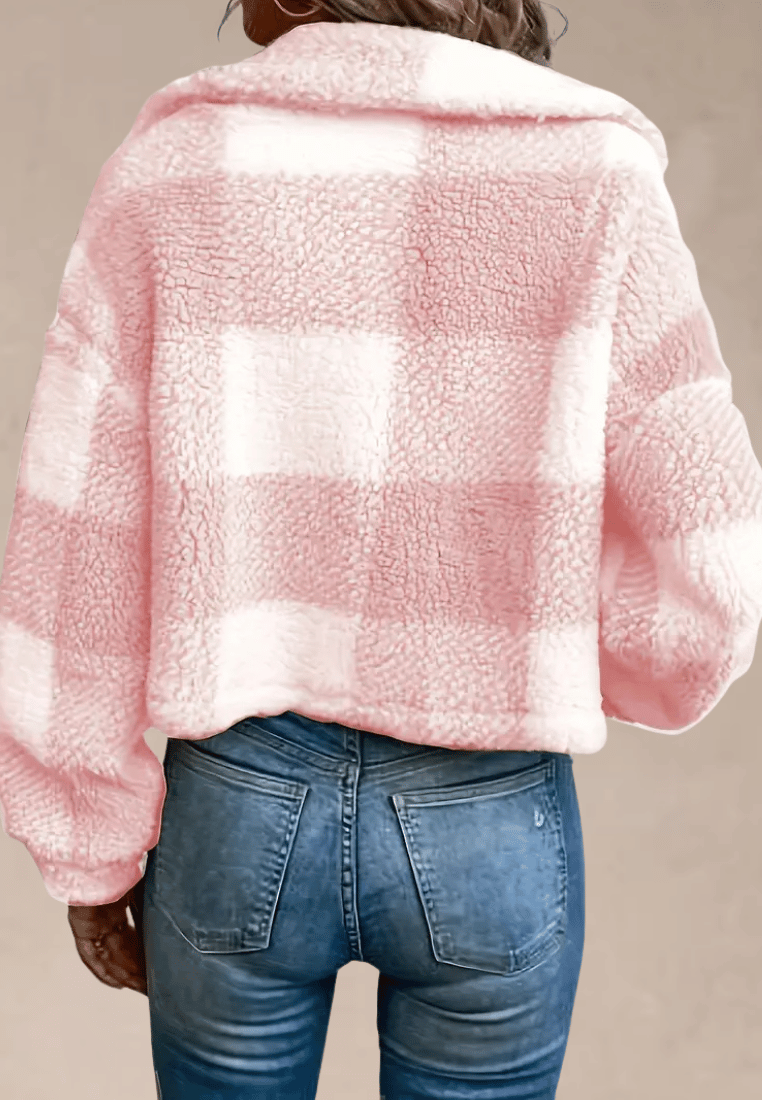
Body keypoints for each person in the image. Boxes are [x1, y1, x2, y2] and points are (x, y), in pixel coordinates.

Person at [2, 1, 762, 1098]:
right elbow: (712, 549)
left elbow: (77, 538)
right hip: (488, 810)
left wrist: (87, 844)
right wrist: (548, 652)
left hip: (239, 797)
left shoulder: (178, 167)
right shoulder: (595, 172)